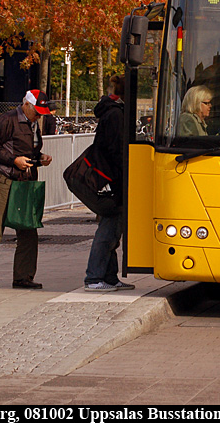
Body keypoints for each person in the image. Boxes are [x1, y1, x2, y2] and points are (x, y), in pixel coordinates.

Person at [0, 89, 53, 290]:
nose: (39, 116)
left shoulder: (32, 124)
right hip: (3, 178)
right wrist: (13, 160)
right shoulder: (7, 120)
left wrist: (39, 158)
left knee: (28, 228)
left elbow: (28, 150)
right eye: (37, 111)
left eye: (42, 112)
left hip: (24, 179)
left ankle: (23, 276)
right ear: (26, 105)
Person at [84, 75, 135, 292]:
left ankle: (109, 276)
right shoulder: (116, 115)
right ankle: (94, 277)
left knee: (113, 230)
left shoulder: (112, 112)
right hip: (116, 180)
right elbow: (116, 150)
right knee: (109, 230)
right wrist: (124, 177)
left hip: (112, 178)